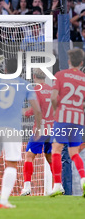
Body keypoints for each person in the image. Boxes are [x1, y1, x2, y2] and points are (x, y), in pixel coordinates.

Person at [0, 58, 42, 209]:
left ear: (4, 70)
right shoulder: (25, 85)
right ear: (18, 70)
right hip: (13, 128)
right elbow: (37, 110)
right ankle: (3, 201)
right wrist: (39, 127)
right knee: (11, 164)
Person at [49, 48, 85, 197]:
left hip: (63, 117)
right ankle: (83, 180)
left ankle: (57, 185)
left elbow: (53, 97)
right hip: (78, 119)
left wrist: (58, 109)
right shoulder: (84, 78)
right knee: (74, 153)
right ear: (81, 63)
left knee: (56, 150)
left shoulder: (60, 75)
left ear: (69, 61)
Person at [21, 69, 54, 196]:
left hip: (40, 129)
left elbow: (35, 109)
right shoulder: (52, 90)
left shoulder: (36, 90)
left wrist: (25, 112)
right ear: (45, 77)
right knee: (50, 158)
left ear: (34, 77)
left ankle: (27, 187)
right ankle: (58, 185)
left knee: (29, 156)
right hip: (52, 129)